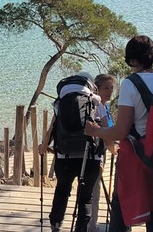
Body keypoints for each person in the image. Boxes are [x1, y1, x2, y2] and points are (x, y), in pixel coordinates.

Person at [85, 35, 153, 232]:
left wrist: (95, 131)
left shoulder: (131, 83)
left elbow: (121, 131)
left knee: (121, 208)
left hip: (137, 157)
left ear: (132, 59)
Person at [46, 72, 104, 232]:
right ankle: (81, 229)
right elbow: (104, 129)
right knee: (86, 198)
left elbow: (52, 128)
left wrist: (43, 146)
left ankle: (56, 225)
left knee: (62, 191)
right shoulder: (96, 103)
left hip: (64, 156)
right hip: (90, 156)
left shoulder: (60, 104)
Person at [88, 74, 118, 232]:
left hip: (96, 152)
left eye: (111, 88)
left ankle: (90, 224)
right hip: (97, 153)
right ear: (96, 89)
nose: (109, 92)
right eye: (106, 88)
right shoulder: (99, 106)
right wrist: (113, 149)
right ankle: (91, 227)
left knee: (92, 190)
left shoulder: (103, 106)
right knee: (95, 190)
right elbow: (106, 134)